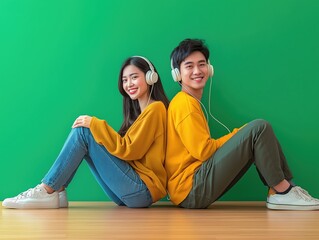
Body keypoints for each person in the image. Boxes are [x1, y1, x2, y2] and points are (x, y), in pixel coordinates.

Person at [165, 38, 319, 210]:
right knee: (259, 127)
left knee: (259, 132)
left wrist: (241, 135)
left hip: (193, 187)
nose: (197, 71)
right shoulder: (184, 103)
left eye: (202, 64)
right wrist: (238, 134)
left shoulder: (190, 102)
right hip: (190, 189)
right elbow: (204, 151)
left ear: (209, 68)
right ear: (177, 74)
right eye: (189, 66)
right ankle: (283, 191)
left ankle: (283, 190)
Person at [2, 56, 169, 209]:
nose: (129, 84)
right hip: (132, 192)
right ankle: (57, 190)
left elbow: (130, 150)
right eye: (125, 80)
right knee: (87, 137)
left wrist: (95, 124)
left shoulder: (156, 109)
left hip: (142, 190)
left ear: (150, 77)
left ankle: (47, 189)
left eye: (134, 77)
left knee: (84, 131)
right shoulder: (141, 114)